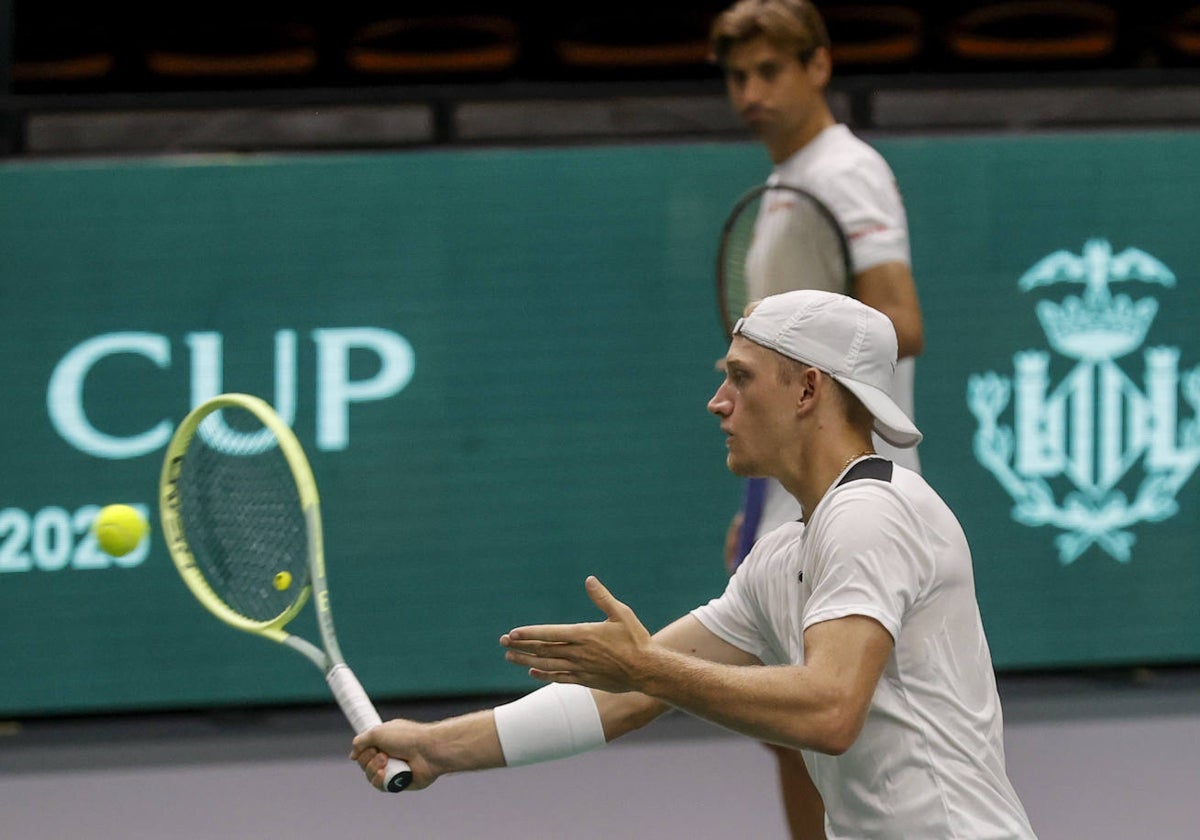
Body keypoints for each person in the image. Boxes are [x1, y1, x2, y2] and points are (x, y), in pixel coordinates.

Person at [351, 290, 1038, 840]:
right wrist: (437, 746)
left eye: (740, 378)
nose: (719, 402)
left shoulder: (872, 514)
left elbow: (830, 710)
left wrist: (645, 666)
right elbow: (623, 699)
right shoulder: (785, 555)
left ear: (807, 390)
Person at [712, 5, 925, 829]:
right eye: (738, 77)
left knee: (818, 719)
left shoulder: (843, 172)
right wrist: (761, 505)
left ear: (820, 67)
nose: (751, 93)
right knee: (786, 723)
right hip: (799, 489)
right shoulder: (786, 182)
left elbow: (901, 320)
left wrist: (808, 342)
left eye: (771, 71)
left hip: (858, 489)